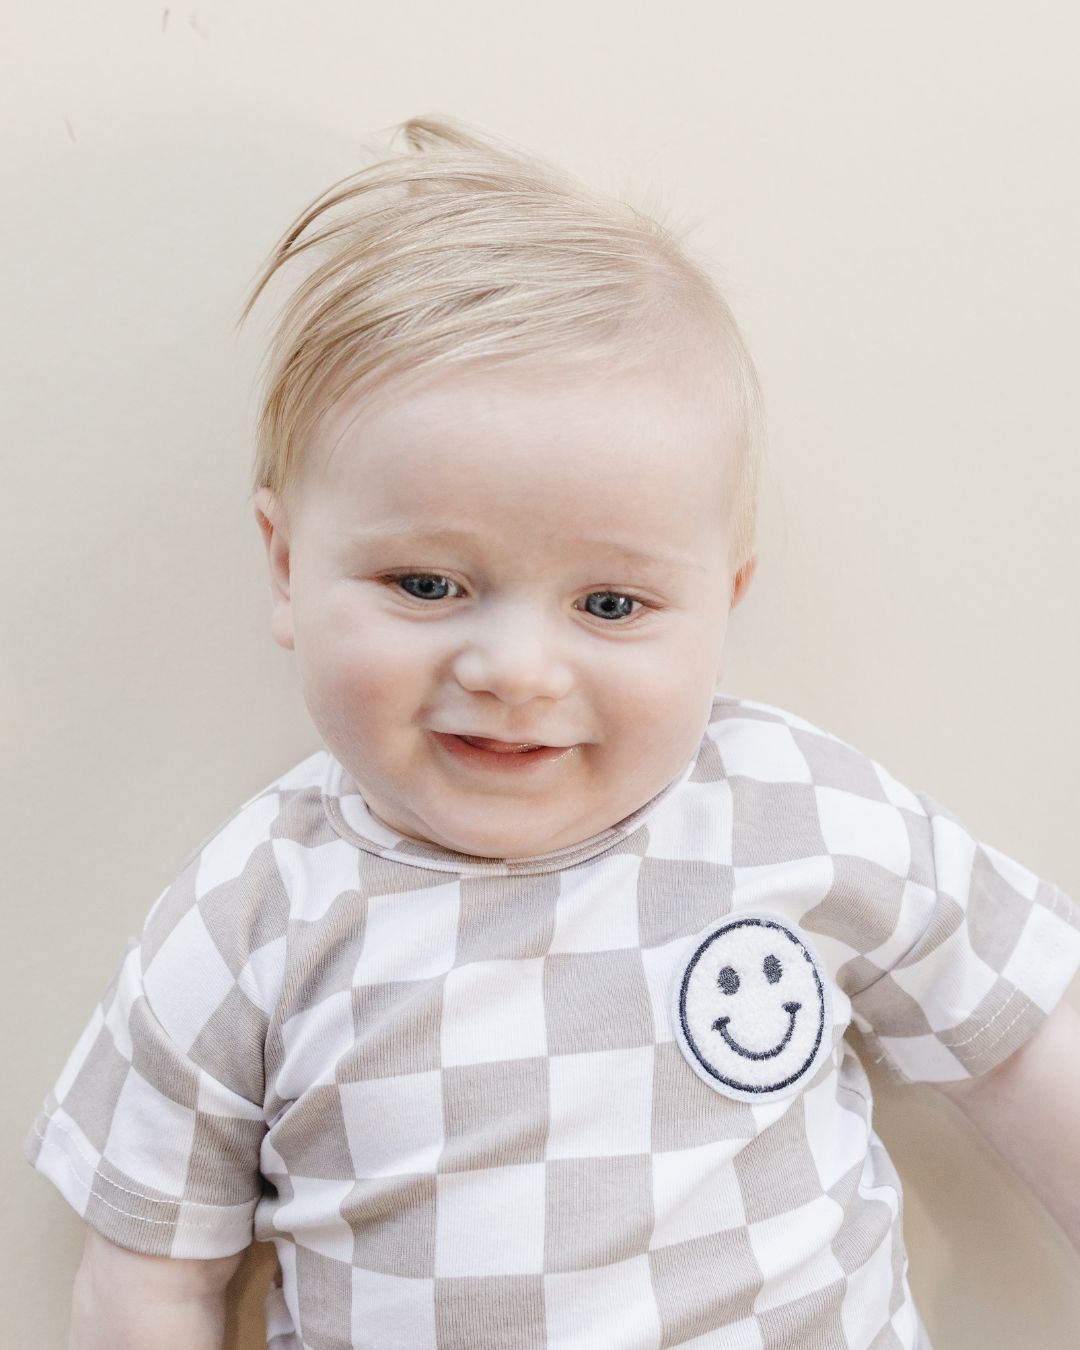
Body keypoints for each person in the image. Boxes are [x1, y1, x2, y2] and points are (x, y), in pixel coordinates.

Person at [25, 114, 1080, 1350]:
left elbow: (1025, 1042)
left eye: (611, 605)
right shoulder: (254, 913)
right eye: (427, 584)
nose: (517, 673)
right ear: (286, 565)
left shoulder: (794, 809)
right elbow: (149, 1278)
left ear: (724, 603)